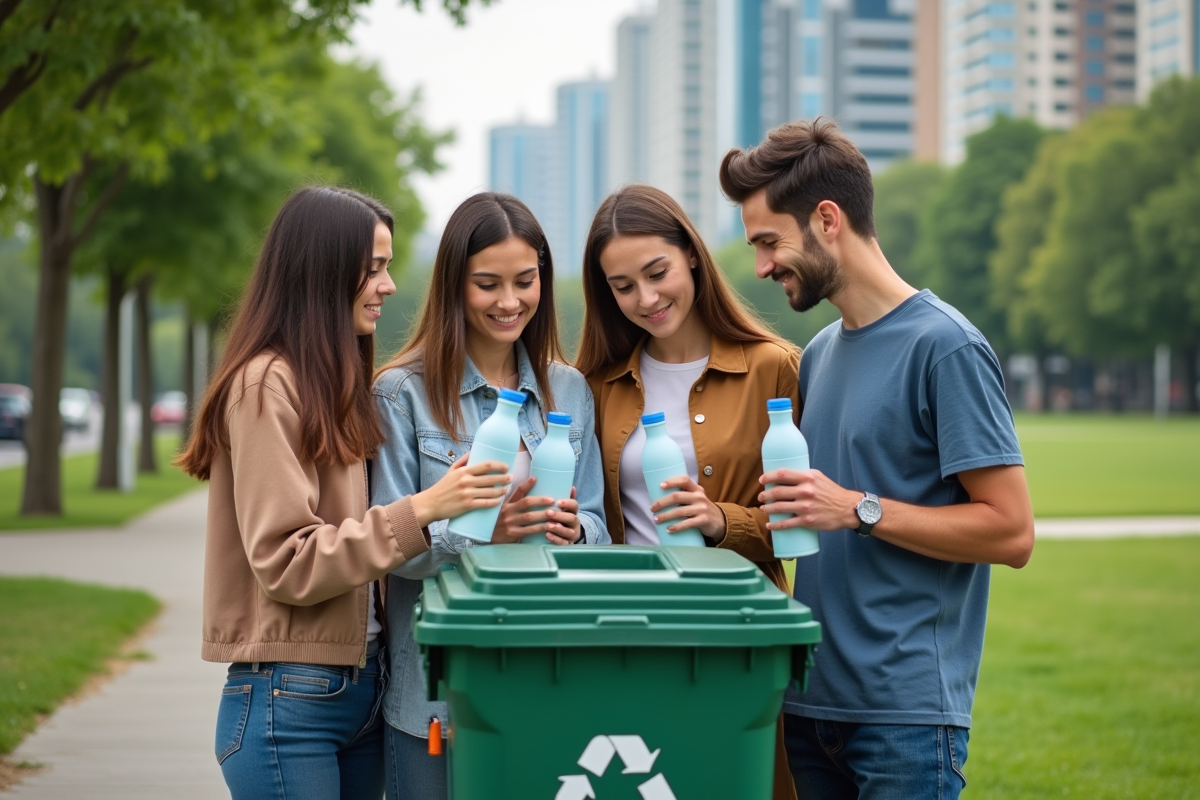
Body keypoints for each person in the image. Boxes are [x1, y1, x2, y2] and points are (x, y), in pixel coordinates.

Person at [719, 119, 1036, 800]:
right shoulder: (820, 356)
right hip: (811, 709)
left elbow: (1012, 534)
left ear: (827, 220)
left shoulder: (946, 347)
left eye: (770, 242)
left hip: (906, 724)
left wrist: (856, 509)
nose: (762, 267)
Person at [178, 186, 511, 800]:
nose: (387, 286)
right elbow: (287, 561)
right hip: (289, 699)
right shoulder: (265, 385)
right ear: (324, 271)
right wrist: (428, 506)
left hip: (362, 691)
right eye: (375, 268)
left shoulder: (332, 382)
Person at [371, 191, 609, 799]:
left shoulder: (570, 390)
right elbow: (390, 547)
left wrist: (575, 531)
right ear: (455, 285)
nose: (509, 302)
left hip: (547, 678)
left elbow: (599, 529)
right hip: (435, 695)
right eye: (487, 284)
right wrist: (482, 531)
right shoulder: (403, 394)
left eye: (525, 281)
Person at [576, 183, 801, 800]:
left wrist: (722, 522)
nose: (646, 298)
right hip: (626, 640)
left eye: (657, 273)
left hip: (740, 640)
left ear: (693, 256)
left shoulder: (774, 368)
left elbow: (812, 521)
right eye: (623, 287)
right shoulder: (594, 386)